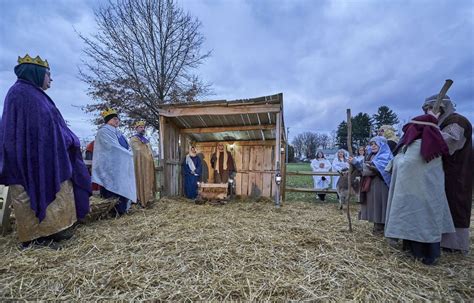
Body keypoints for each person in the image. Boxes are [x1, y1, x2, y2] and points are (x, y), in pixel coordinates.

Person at [0, 54, 91, 249]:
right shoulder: (21, 94)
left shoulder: (35, 95)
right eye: (48, 75)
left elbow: (52, 126)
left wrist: (68, 139)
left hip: (47, 157)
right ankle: (35, 238)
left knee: (61, 189)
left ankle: (55, 230)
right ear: (37, 73)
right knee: (31, 193)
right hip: (30, 161)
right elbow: (33, 131)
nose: (51, 79)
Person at [385, 114, 455, 265]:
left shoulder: (419, 147)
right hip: (425, 195)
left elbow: (404, 164)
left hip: (414, 194)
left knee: (418, 221)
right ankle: (419, 252)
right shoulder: (436, 148)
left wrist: (395, 161)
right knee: (422, 221)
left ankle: (423, 254)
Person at [422, 95, 472, 254]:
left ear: (441, 108)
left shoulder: (457, 121)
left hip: (457, 174)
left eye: (430, 108)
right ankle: (443, 242)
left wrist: (429, 129)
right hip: (444, 173)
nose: (428, 112)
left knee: (455, 204)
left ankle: (455, 246)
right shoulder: (442, 123)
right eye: (426, 110)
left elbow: (448, 143)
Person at [92, 108, 136, 215]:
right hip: (110, 167)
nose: (117, 121)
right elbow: (113, 147)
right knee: (112, 190)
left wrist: (129, 152)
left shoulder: (119, 133)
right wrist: (128, 154)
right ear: (108, 120)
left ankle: (122, 209)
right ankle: (112, 212)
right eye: (114, 119)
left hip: (120, 166)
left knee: (122, 186)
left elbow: (126, 146)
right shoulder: (104, 132)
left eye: (118, 119)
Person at [353, 136, 392, 234]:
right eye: (372, 144)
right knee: (374, 206)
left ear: (382, 145)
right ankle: (377, 226)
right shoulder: (370, 155)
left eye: (376, 144)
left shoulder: (385, 156)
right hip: (371, 185)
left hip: (381, 186)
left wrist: (356, 163)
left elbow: (372, 169)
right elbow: (365, 166)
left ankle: (381, 228)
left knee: (380, 206)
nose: (373, 146)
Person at [130, 121, 155, 208]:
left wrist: (149, 156)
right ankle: (141, 200)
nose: (142, 128)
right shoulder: (134, 139)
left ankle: (148, 199)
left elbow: (151, 151)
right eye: (140, 127)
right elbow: (138, 150)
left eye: (143, 127)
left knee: (148, 180)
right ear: (136, 128)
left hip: (148, 165)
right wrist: (146, 150)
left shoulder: (145, 140)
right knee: (141, 180)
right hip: (140, 165)